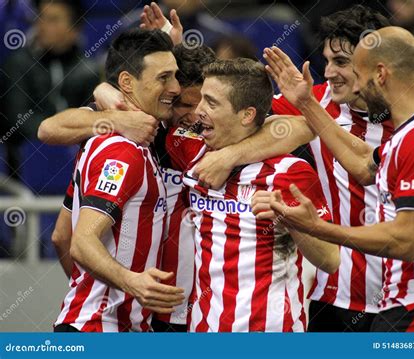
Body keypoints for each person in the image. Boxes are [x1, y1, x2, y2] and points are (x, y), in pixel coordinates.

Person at [191, 5, 414, 332]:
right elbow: (359, 163)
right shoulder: (321, 102)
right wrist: (232, 155)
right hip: (338, 297)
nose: (328, 73)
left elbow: (405, 238)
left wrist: (317, 227)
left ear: (376, 69)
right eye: (326, 60)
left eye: (341, 62)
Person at [170, 58, 339, 332]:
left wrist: (292, 222)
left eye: (211, 103)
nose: (198, 111)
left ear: (247, 115)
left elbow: (329, 260)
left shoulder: (290, 173)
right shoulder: (191, 149)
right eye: (201, 99)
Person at [53, 28, 184, 332]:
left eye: (175, 76)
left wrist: (90, 294)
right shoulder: (123, 154)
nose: (176, 88)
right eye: (164, 78)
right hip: (100, 329)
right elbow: (81, 242)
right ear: (126, 82)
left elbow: (60, 235)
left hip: (107, 325)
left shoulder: (115, 141)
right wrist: (129, 283)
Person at [0, 0, 99, 178]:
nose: (43, 26)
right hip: (23, 166)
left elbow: (93, 121)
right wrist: (59, 132)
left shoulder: (88, 71)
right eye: (41, 18)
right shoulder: (18, 65)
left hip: (79, 164)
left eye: (53, 20)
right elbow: (18, 120)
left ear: (75, 28)